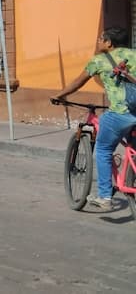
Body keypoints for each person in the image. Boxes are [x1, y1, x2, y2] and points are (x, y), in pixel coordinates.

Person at [54, 27, 136, 208]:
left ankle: (105, 196)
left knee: (103, 150)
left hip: (120, 114)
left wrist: (59, 95)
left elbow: (77, 82)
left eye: (100, 38)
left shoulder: (98, 61)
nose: (98, 42)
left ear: (109, 43)